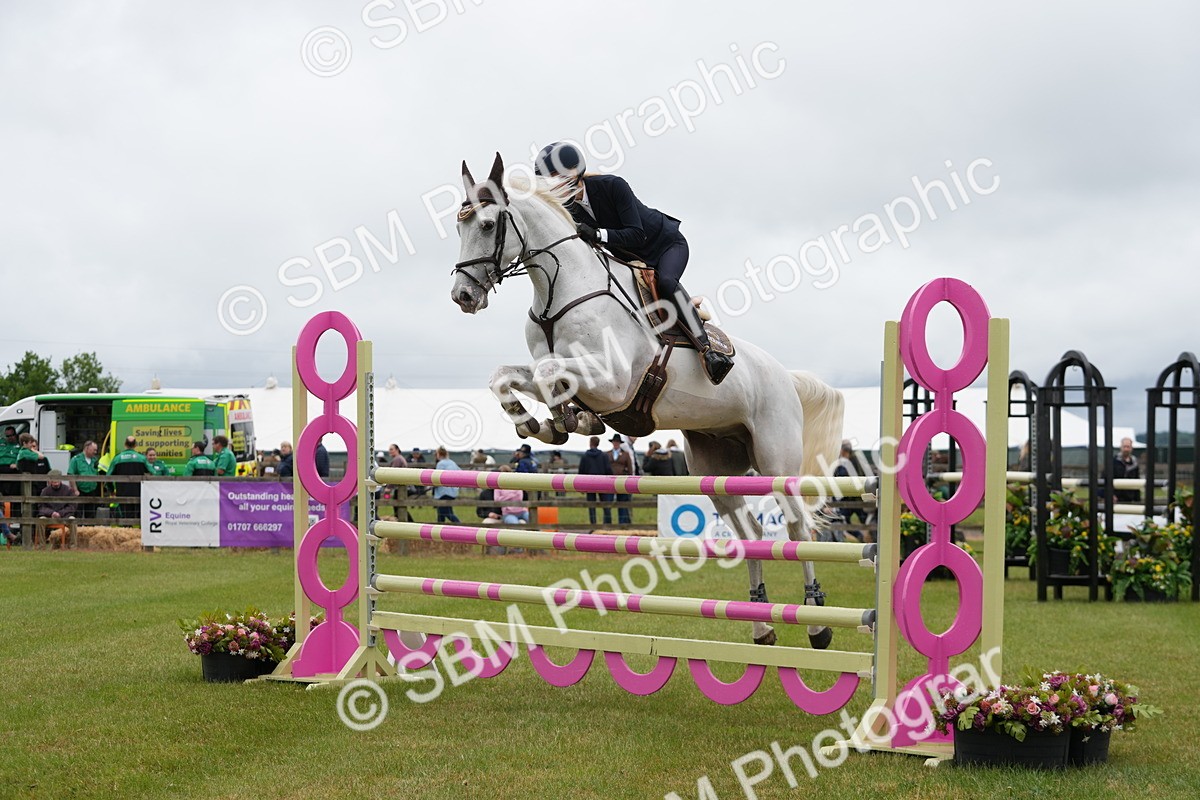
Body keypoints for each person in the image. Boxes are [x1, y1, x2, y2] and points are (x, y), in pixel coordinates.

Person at [534, 141, 734, 384]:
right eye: (548, 178)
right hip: (631, 258)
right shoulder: (569, 208)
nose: (553, 182)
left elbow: (636, 234)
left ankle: (707, 351)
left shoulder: (612, 186)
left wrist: (598, 234)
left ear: (576, 171)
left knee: (668, 282)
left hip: (665, 244)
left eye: (557, 175)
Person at [107, 436, 150, 522]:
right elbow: (153, 473)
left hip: (122, 493)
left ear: (125, 445)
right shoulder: (141, 458)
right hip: (139, 493)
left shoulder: (117, 458)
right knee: (139, 518)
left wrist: (111, 490)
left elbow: (108, 477)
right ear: (135, 445)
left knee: (125, 517)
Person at [576, 435, 613, 526]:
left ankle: (593, 524)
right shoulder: (604, 456)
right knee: (605, 505)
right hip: (602, 482)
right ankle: (607, 524)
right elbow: (608, 469)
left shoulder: (585, 456)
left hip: (589, 483)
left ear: (590, 443)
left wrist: (581, 486)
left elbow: (581, 471)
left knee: (591, 506)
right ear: (598, 443)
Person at [37, 470, 77, 546]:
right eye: (53, 480)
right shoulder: (45, 491)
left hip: (64, 516)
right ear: (50, 481)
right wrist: (51, 513)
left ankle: (73, 546)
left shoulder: (68, 490)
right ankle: (41, 545)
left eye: (57, 480)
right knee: (41, 520)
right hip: (49, 516)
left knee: (73, 520)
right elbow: (41, 507)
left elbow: (72, 506)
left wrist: (60, 513)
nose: (55, 482)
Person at [68, 440, 101, 518]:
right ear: (87, 448)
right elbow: (70, 475)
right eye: (94, 450)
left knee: (91, 515)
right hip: (80, 491)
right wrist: (75, 490)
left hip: (92, 491)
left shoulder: (95, 460)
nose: (95, 452)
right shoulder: (76, 459)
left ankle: (89, 529)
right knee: (78, 514)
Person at [609, 434, 634, 525]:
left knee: (622, 502)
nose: (615, 443)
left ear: (619, 443)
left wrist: (630, 480)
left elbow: (630, 468)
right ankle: (608, 523)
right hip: (610, 481)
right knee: (608, 503)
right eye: (614, 442)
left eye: (617, 442)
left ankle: (622, 522)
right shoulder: (607, 454)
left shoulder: (625, 454)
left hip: (622, 481)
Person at [432, 446, 461, 523]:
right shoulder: (452, 463)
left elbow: (437, 478)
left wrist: (432, 484)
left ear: (439, 454)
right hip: (452, 491)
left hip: (443, 492)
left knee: (446, 513)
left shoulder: (440, 464)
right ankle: (439, 529)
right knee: (441, 513)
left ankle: (459, 525)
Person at [1111, 437, 1140, 503]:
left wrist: (1137, 499)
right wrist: (1111, 495)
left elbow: (1137, 481)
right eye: (1124, 446)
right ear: (1120, 447)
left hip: (1130, 498)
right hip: (1116, 499)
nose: (1126, 449)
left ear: (1131, 448)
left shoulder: (1135, 464)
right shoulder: (1113, 462)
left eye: (1128, 447)